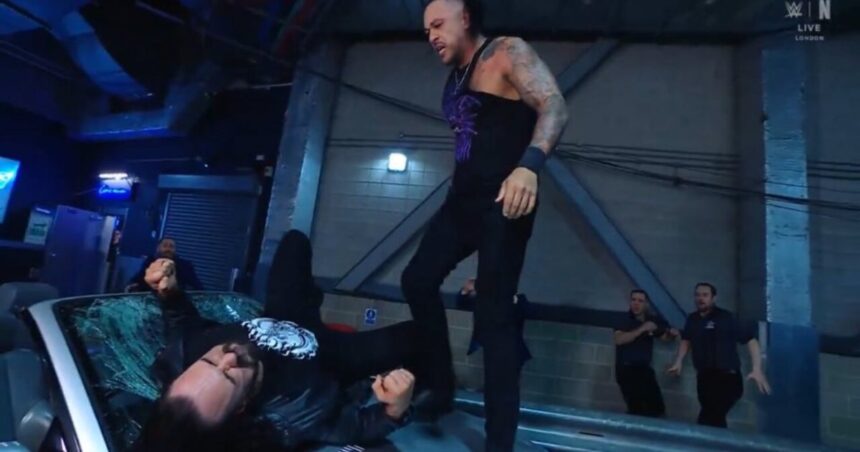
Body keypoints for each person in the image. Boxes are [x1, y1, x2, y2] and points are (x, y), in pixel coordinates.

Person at [406, 1, 568, 449]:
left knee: (493, 317)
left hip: (506, 200)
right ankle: (440, 385)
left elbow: (554, 105)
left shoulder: (506, 51)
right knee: (416, 280)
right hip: (462, 202)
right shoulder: (455, 78)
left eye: (438, 25)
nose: (432, 36)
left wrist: (529, 165)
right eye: (426, 30)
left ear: (466, 17)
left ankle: (499, 444)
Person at [134, 230, 417, 451]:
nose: (230, 355)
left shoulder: (185, 358)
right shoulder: (291, 418)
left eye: (209, 360)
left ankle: (311, 298)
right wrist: (396, 408)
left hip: (283, 313)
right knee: (418, 335)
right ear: (242, 406)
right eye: (230, 375)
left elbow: (184, 324)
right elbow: (360, 428)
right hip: (331, 351)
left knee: (294, 242)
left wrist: (168, 291)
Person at [666, 282, 771, 428]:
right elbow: (686, 339)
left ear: (713, 298)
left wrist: (757, 369)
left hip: (727, 378)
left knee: (709, 416)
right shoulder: (693, 319)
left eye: (705, 295)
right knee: (713, 418)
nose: (700, 299)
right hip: (705, 377)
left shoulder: (726, 318)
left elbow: (750, 340)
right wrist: (679, 361)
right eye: (697, 295)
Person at [613, 289, 677, 417]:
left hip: (644, 369)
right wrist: (642, 329)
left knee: (657, 408)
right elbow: (619, 340)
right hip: (626, 368)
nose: (636, 303)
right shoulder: (624, 319)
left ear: (646, 304)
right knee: (636, 408)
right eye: (633, 300)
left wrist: (671, 334)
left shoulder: (652, 320)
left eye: (640, 301)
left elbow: (664, 337)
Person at [457, 277, 532, 364]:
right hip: (490, 345)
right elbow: (462, 303)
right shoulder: (483, 299)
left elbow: (529, 311)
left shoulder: (519, 300)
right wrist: (466, 290)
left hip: (511, 348)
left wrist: (514, 301)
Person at [126, 237, 203, 292]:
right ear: (158, 248)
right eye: (165, 246)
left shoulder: (185, 265)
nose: (168, 249)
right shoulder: (150, 262)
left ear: (175, 250)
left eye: (171, 246)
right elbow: (138, 279)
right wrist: (132, 285)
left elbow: (198, 287)